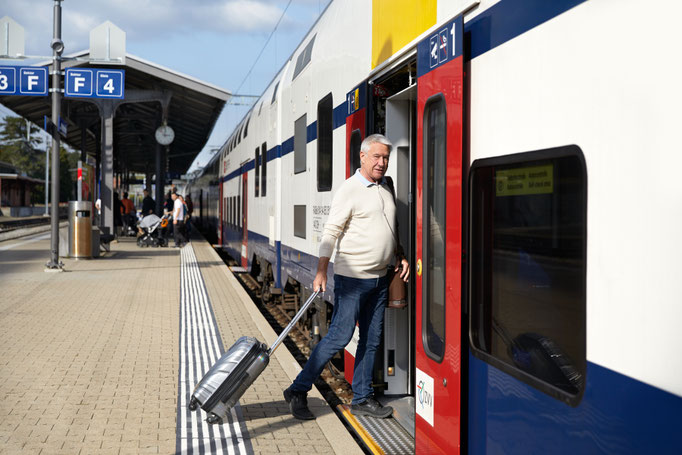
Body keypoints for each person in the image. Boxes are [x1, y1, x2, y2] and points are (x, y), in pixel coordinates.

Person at [283, 134, 409, 420]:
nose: (382, 162)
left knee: (372, 340)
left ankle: (362, 398)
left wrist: (399, 254)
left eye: (386, 157)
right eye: (376, 157)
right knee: (340, 337)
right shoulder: (349, 190)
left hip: (380, 279)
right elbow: (331, 232)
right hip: (352, 279)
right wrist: (321, 270)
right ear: (362, 157)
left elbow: (390, 228)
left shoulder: (385, 187)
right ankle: (298, 389)